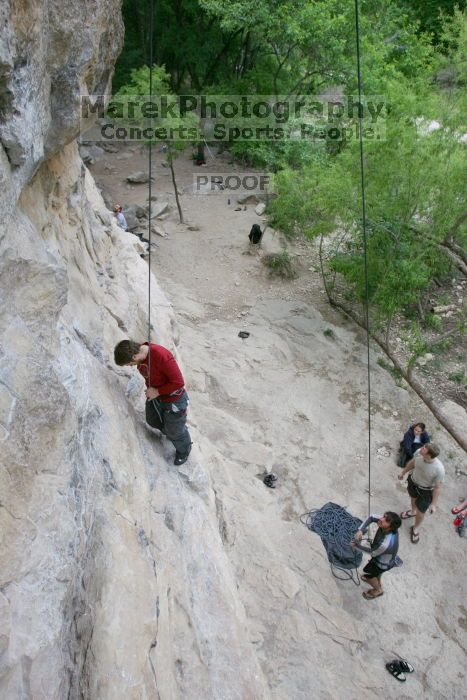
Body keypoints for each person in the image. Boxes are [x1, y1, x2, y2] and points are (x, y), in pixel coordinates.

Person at [114, 339, 192, 465]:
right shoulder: (142, 354)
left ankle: (184, 449)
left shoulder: (161, 356)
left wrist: (157, 391)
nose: (131, 366)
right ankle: (174, 428)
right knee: (152, 419)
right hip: (158, 395)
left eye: (129, 364)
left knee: (175, 431)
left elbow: (178, 383)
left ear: (134, 356)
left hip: (174, 399)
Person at [398, 443, 445, 544]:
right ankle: (412, 511)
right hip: (413, 482)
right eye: (424, 447)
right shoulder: (419, 453)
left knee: (421, 512)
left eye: (424, 449)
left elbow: (437, 487)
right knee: (413, 498)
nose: (421, 449)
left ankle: (415, 528)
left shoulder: (439, 469)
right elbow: (412, 463)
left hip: (426, 491)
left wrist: (433, 504)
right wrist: (403, 472)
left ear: (429, 455)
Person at [351, 512, 401, 600]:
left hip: (381, 563)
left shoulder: (386, 544)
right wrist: (360, 530)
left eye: (386, 520)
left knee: (369, 575)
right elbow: (371, 517)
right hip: (384, 558)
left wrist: (356, 545)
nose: (381, 519)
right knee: (377, 573)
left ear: (391, 527)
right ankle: (378, 582)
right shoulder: (390, 528)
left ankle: (377, 590)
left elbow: (373, 552)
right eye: (384, 517)